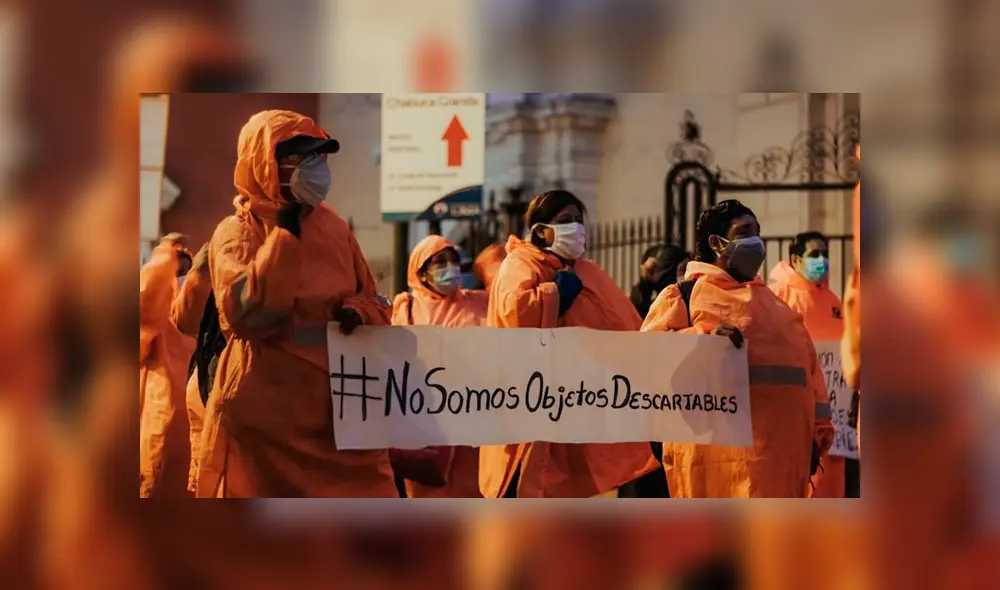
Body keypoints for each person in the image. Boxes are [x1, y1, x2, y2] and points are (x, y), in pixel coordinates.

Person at [196, 110, 398, 498]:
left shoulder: (334, 226)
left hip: (341, 410)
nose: (316, 167)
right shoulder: (238, 232)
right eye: (302, 157)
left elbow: (374, 296)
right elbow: (248, 316)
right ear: (266, 163)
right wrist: (284, 239)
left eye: (319, 157)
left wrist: (358, 311)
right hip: (270, 414)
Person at [641, 199, 834, 497]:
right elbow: (643, 365)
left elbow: (810, 375)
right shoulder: (682, 297)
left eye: (757, 231)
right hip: (712, 472)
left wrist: (819, 433)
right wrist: (701, 338)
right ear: (716, 243)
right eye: (744, 232)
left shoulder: (779, 308)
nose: (755, 241)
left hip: (780, 469)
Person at [480, 189, 659, 498]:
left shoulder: (589, 271)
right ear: (540, 230)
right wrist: (555, 295)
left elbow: (629, 326)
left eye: (578, 220)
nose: (575, 227)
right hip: (535, 403)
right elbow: (514, 316)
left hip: (581, 404)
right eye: (565, 220)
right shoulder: (520, 264)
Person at [390, 235, 489, 498]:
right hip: (427, 429)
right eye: (440, 262)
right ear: (420, 273)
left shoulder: (480, 302)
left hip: (475, 431)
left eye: (454, 261)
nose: (450, 268)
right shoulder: (405, 309)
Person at [769, 231, 846, 498]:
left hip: (834, 414)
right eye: (814, 255)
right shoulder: (777, 295)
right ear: (795, 259)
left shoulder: (834, 301)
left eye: (825, 255)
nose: (822, 261)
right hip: (795, 409)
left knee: (831, 484)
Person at [139, 233, 197, 498]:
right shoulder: (202, 303)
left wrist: (163, 256)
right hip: (192, 420)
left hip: (164, 416)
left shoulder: (158, 313)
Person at [630, 244, 691, 319]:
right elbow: (637, 315)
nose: (688, 275)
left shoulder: (695, 295)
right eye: (683, 270)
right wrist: (645, 282)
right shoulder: (659, 307)